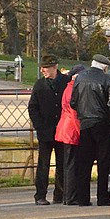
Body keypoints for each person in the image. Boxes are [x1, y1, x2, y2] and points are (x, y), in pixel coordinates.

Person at [70, 54, 110, 206]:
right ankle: (103, 197)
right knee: (104, 162)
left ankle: (83, 198)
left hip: (85, 123)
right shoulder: (108, 80)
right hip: (102, 124)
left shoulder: (79, 78)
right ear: (104, 67)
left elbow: (73, 102)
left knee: (84, 162)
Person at [27, 55, 70, 205]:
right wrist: (39, 125)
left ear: (54, 67)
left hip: (62, 130)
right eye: (42, 68)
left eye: (45, 68)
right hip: (45, 130)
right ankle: (40, 195)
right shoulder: (39, 85)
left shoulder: (66, 82)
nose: (42, 70)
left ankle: (60, 194)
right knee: (43, 164)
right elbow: (32, 107)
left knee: (62, 163)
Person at [55, 65, 85, 204]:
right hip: (71, 130)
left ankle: (68, 196)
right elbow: (74, 113)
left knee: (68, 164)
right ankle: (71, 197)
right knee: (72, 164)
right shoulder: (74, 89)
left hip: (65, 128)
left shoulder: (68, 87)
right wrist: (81, 132)